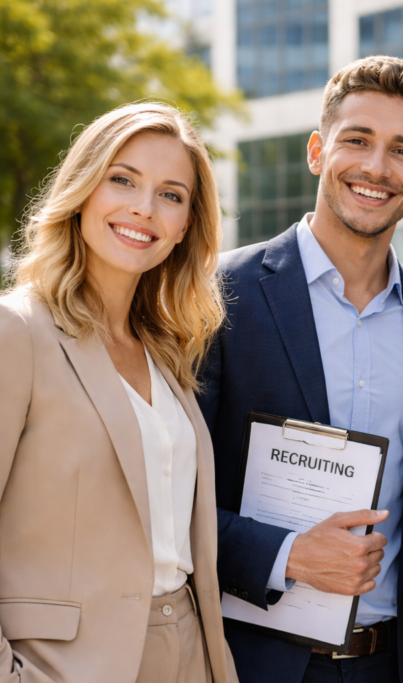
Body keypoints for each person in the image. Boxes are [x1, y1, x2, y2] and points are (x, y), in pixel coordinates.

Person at [196, 56, 403, 683]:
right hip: (252, 661)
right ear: (317, 150)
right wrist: (286, 554)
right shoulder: (220, 293)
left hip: (397, 663)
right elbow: (170, 493)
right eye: (356, 140)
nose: (375, 168)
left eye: (402, 151)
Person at [0, 102, 235, 682]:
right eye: (123, 179)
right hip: (66, 665)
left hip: (188, 650)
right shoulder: (17, 331)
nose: (143, 208)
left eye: (171, 194)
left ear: (185, 226)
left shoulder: (166, 349)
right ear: (83, 190)